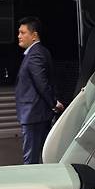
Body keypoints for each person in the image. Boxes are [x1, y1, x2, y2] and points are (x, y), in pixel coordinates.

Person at [15, 16, 64, 164]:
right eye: (19, 32)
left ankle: (30, 179)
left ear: (34, 35)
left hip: (34, 114)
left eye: (23, 32)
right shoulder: (39, 52)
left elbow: (42, 83)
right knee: (38, 154)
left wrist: (53, 103)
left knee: (30, 157)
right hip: (36, 114)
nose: (19, 36)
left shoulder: (35, 54)